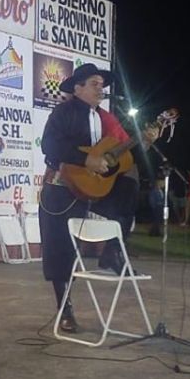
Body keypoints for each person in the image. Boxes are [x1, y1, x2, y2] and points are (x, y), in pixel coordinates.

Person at [39, 63, 158, 332]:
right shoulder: (63, 112)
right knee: (61, 248)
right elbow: (50, 145)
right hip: (62, 187)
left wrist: (145, 143)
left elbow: (124, 158)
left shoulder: (107, 119)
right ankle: (65, 309)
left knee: (127, 187)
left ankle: (112, 252)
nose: (100, 89)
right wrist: (85, 159)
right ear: (77, 88)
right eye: (94, 84)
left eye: (102, 85)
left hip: (94, 189)